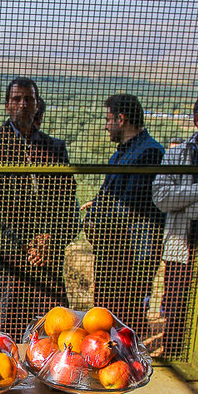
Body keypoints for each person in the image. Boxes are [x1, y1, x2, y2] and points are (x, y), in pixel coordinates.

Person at [0, 77, 79, 339]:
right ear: (7, 106)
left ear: (37, 104)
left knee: (51, 328)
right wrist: (23, 244)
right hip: (5, 255)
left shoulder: (55, 148)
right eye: (17, 99)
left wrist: (50, 241)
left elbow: (67, 203)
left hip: (46, 255)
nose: (22, 105)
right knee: (3, 328)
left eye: (28, 99)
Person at [84, 94, 164, 333]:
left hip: (133, 250)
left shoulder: (148, 152)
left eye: (109, 119)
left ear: (121, 118)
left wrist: (97, 214)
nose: (106, 125)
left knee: (126, 312)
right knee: (107, 310)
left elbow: (132, 205)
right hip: (115, 247)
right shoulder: (122, 152)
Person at [152, 93, 198, 357]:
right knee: (176, 305)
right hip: (181, 244)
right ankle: (174, 354)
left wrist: (186, 197)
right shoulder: (176, 155)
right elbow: (162, 198)